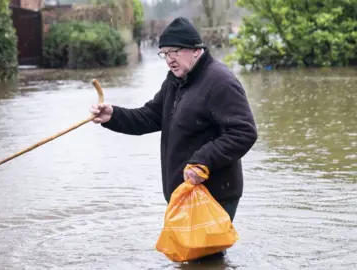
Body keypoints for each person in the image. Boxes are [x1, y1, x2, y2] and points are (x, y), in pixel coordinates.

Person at [90, 17, 258, 257]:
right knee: (193, 261)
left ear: (196, 50)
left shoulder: (220, 81)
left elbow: (244, 132)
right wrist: (112, 116)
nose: (169, 59)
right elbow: (149, 116)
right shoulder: (176, 81)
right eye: (164, 53)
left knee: (202, 261)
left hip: (214, 193)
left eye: (175, 51)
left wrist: (203, 160)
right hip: (185, 193)